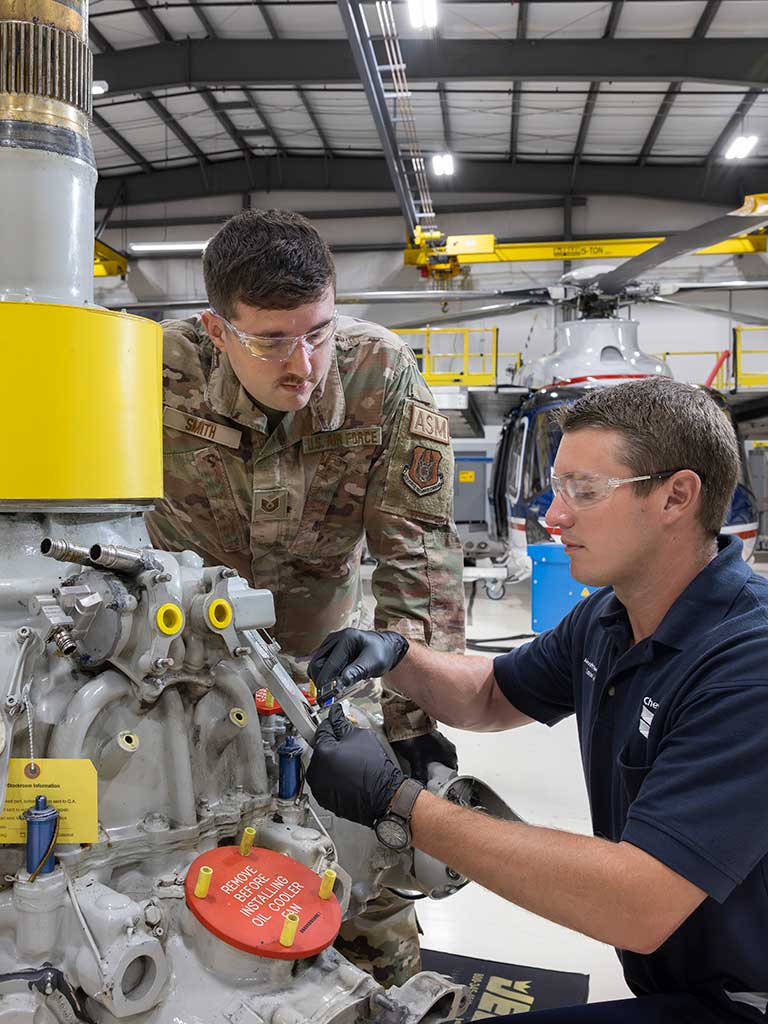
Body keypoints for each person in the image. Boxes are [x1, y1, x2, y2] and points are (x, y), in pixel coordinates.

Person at [307, 376, 768, 1023]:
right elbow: (493, 694)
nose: (552, 516)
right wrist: (397, 656)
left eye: (584, 492)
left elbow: (637, 902)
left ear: (676, 497)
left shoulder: (747, 664)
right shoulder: (613, 616)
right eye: (557, 488)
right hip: (680, 982)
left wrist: (396, 802)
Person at [145, 208, 466, 985]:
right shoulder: (150, 373)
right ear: (216, 330)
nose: (304, 365)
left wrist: (416, 721)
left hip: (326, 662)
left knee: (365, 863)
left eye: (318, 331)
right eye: (271, 340)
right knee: (175, 846)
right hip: (181, 660)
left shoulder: (378, 374)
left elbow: (416, 556)